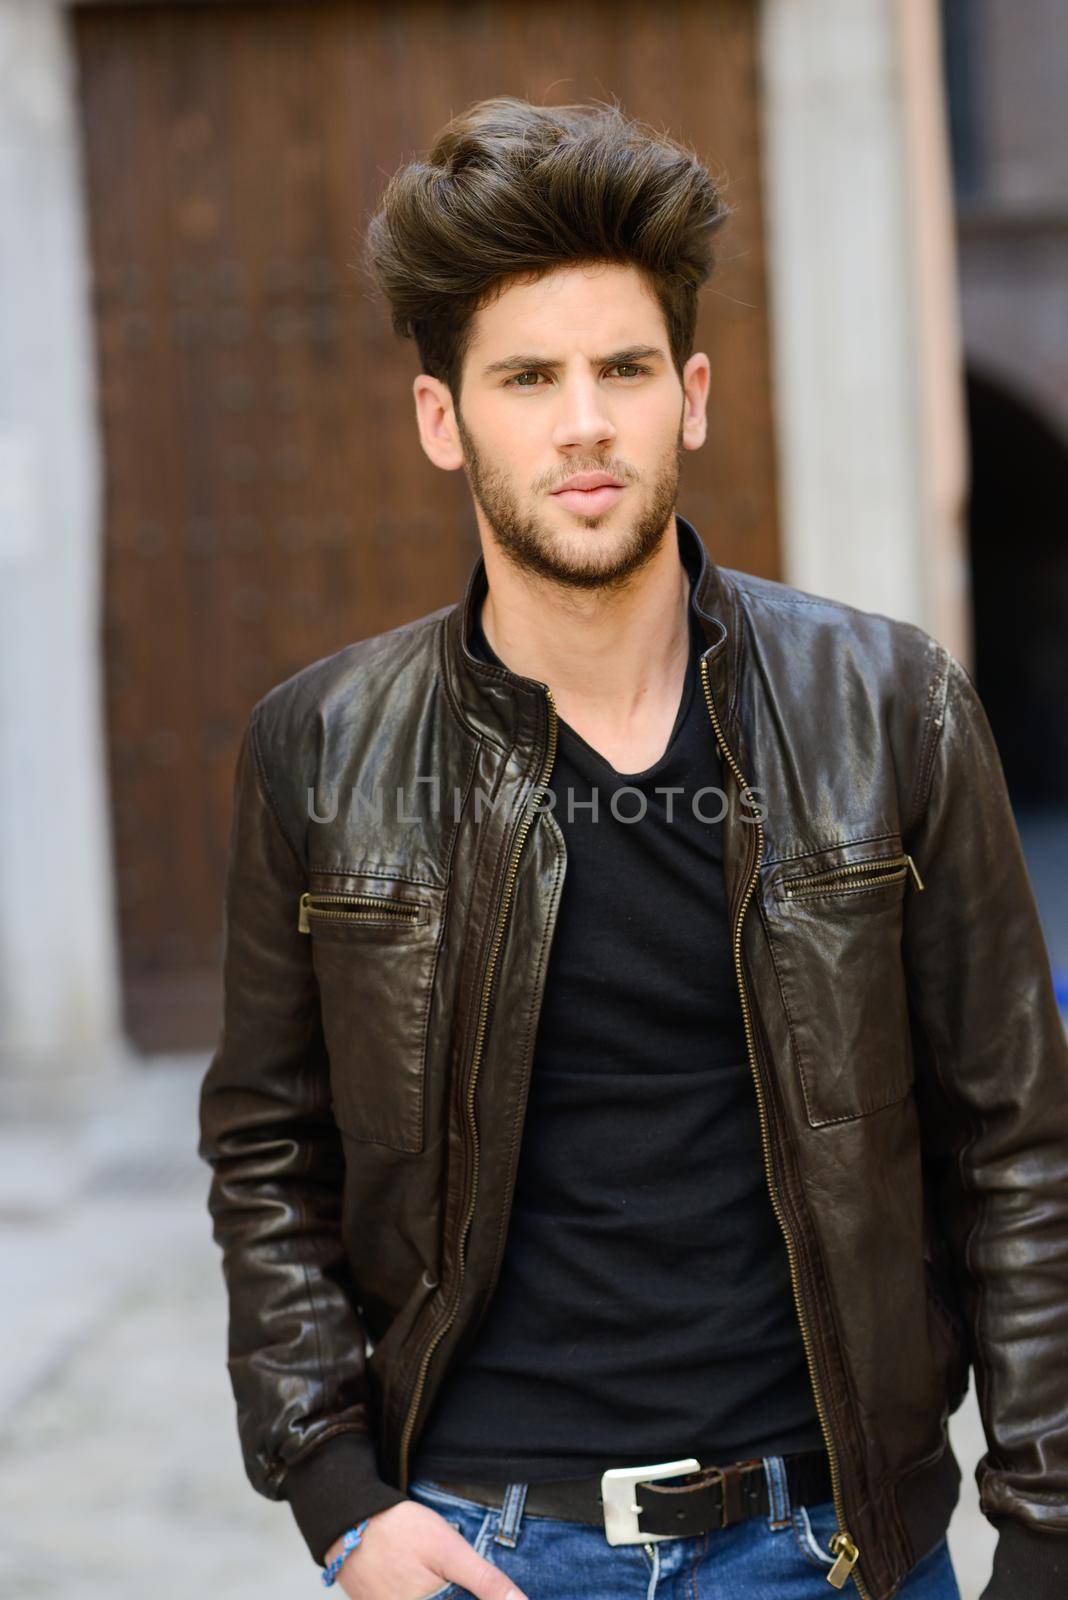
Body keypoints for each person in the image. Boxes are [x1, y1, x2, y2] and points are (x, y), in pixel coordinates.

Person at [197, 96, 1068, 1600]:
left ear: (694, 396)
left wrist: (1047, 1535)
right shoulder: (319, 747)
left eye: (624, 369)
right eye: (527, 377)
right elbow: (269, 1149)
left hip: (833, 1537)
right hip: (484, 1550)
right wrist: (336, 1495)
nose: (584, 420)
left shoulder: (891, 706)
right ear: (442, 418)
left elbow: (1020, 1144)